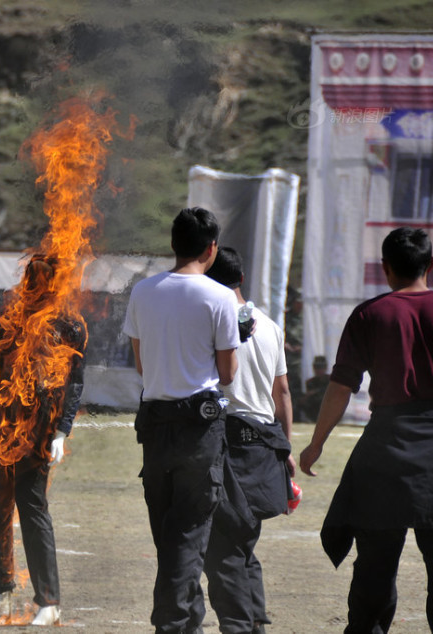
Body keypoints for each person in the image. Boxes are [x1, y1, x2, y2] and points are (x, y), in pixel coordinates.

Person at [299, 227, 433, 633]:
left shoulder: (369, 315)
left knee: (374, 571)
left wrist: (316, 442)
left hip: (384, 454)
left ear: (385, 268)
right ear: (431, 265)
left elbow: (341, 386)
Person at [122, 207, 239, 634]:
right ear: (211, 249)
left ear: (173, 244)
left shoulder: (143, 291)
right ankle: (171, 624)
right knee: (188, 533)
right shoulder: (220, 297)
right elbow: (227, 374)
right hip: (199, 426)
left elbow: (140, 364)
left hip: (154, 425)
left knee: (169, 532)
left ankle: (187, 622)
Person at [0, 255, 86, 627]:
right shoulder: (10, 316)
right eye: (31, 277)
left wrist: (60, 431)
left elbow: (75, 382)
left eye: (42, 278)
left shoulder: (69, 323)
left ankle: (49, 601)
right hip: (1, 426)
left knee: (33, 510)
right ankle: (3, 595)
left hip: (38, 431)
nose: (35, 284)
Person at [203, 247, 295, 634]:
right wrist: (286, 451)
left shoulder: (213, 323)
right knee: (244, 539)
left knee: (221, 547)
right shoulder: (271, 326)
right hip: (264, 444)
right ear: (241, 279)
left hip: (229, 442)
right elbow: (283, 393)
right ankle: (254, 618)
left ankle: (238, 625)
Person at [284, 288, 303, 416]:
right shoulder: (285, 316)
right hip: (286, 357)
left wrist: (302, 347)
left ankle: (295, 413)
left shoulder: (306, 319)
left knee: (297, 387)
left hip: (299, 360)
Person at [296, 355, 329, 422]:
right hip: (315, 408)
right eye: (316, 367)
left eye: (320, 367)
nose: (318, 370)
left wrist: (315, 392)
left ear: (325, 368)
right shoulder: (310, 382)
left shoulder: (330, 380)